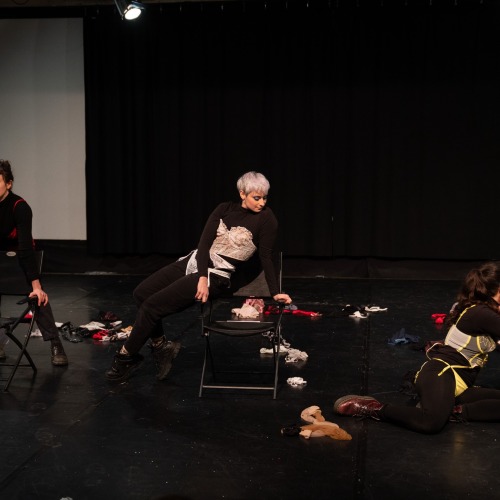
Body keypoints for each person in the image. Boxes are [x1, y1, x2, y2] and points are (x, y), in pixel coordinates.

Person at [105, 171, 292, 382]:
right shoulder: (224, 209)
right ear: (242, 194)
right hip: (196, 264)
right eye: (256, 198)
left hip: (218, 275)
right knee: (141, 293)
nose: (261, 203)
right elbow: (204, 244)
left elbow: (266, 256)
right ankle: (161, 347)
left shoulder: (267, 219)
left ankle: (125, 357)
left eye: (264, 198)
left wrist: (275, 292)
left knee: (151, 307)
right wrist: (201, 276)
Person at [334, 261, 500, 434]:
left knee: (442, 415)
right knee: (431, 423)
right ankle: (372, 408)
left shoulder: (487, 312)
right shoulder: (479, 313)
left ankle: (453, 412)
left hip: (461, 386)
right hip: (442, 374)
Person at [0, 159, 68, 365]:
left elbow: (25, 248)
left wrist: (36, 285)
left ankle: (55, 343)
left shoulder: (20, 207)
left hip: (20, 259)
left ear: (9, 183)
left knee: (37, 296)